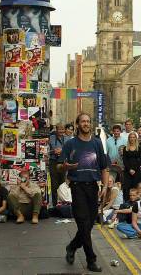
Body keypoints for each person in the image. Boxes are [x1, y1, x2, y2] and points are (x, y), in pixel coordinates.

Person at [58, 113, 109, 272]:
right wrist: (66, 167)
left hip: (93, 187)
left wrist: (105, 186)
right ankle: (91, 260)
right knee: (83, 221)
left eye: (88, 121)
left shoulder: (97, 143)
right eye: (83, 121)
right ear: (78, 124)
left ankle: (72, 247)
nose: (86, 124)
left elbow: (104, 167)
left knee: (88, 224)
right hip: (77, 186)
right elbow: (59, 166)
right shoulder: (70, 144)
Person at [48, 123, 68, 204]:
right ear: (56, 130)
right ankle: (55, 203)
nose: (61, 131)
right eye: (59, 129)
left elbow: (68, 150)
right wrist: (54, 151)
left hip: (62, 162)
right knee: (54, 183)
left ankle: (62, 202)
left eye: (62, 129)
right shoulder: (51, 138)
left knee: (62, 182)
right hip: (53, 161)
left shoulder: (67, 139)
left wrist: (62, 151)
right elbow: (48, 150)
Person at [122, 132, 141, 200]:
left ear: (136, 138)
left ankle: (136, 203)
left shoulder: (139, 148)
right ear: (129, 138)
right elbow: (124, 160)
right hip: (127, 171)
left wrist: (134, 169)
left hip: (136, 171)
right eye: (130, 137)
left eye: (133, 137)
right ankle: (127, 202)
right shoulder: (125, 148)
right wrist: (129, 170)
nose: (132, 139)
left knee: (136, 187)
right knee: (127, 187)